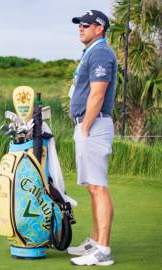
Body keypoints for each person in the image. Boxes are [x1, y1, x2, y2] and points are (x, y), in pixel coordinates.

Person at [67, 10, 117, 266]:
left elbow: (98, 94)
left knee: (98, 187)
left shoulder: (100, 52)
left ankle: (103, 250)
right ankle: (96, 240)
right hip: (89, 125)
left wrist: (85, 126)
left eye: (86, 24)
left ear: (100, 28)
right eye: (79, 24)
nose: (81, 27)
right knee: (92, 187)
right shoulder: (91, 51)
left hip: (94, 126)